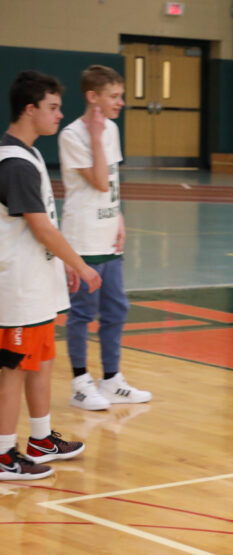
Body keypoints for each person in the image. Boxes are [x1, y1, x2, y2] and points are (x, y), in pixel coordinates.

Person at [0, 70, 102, 480]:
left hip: (38, 281)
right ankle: (4, 453)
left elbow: (39, 228)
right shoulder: (15, 163)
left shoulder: (32, 154)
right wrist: (79, 263)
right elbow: (40, 226)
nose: (60, 115)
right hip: (17, 288)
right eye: (53, 108)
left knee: (41, 362)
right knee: (12, 371)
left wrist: (60, 266)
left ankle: (40, 440)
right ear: (30, 109)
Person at [59, 65, 151, 410]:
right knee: (83, 312)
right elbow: (97, 179)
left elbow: (110, 184)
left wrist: (119, 216)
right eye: (114, 96)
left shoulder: (111, 129)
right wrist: (95, 137)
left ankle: (111, 379)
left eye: (121, 95)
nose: (121, 102)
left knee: (116, 308)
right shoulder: (72, 135)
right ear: (92, 97)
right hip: (82, 240)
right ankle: (81, 383)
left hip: (108, 235)